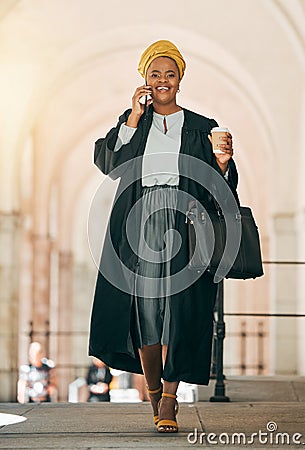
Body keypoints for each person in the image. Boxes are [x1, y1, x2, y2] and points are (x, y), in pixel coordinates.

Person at [89, 40, 238, 433]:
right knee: (146, 314)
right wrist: (134, 118)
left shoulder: (202, 126)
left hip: (185, 223)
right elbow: (110, 164)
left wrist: (222, 163)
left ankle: (170, 399)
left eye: (170, 74)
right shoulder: (133, 122)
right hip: (139, 223)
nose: (162, 80)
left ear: (180, 80)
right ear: (144, 80)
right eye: (155, 74)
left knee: (181, 312)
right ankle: (154, 392)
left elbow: (219, 185)